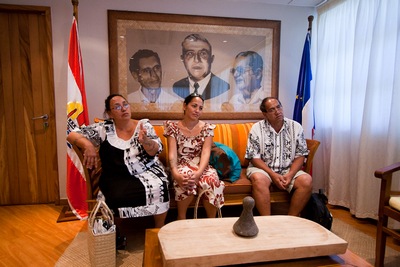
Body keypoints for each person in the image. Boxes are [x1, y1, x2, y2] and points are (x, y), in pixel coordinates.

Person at [67, 94, 170, 244]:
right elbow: (71, 134)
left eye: (125, 104)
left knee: (160, 185)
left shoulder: (143, 126)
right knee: (115, 194)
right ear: (109, 113)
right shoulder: (104, 129)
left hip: (147, 171)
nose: (123, 109)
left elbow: (156, 150)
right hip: (116, 174)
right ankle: (116, 233)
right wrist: (88, 145)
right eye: (117, 107)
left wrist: (146, 141)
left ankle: (159, 229)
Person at [245, 97, 312, 216]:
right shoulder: (257, 128)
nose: (277, 111)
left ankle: (291, 218)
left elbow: (300, 155)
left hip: (288, 169)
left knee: (306, 181)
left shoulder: (295, 127)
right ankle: (268, 221)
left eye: (279, 107)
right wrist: (273, 174)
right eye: (272, 110)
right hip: (263, 169)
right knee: (259, 180)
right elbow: (254, 157)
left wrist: (290, 174)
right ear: (264, 114)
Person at [163, 93, 225, 220]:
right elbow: (172, 154)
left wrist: (199, 172)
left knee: (211, 180)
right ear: (185, 106)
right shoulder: (172, 127)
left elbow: (206, 153)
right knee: (187, 179)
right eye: (194, 106)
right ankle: (182, 218)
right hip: (181, 164)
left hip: (201, 165)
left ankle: (212, 221)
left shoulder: (207, 128)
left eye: (200, 108)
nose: (197, 110)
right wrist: (175, 174)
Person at [173, 34, 230, 104]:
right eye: (190, 54)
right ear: (183, 59)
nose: (197, 60)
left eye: (203, 53)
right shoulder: (177, 86)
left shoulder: (222, 86)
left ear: (211, 59)